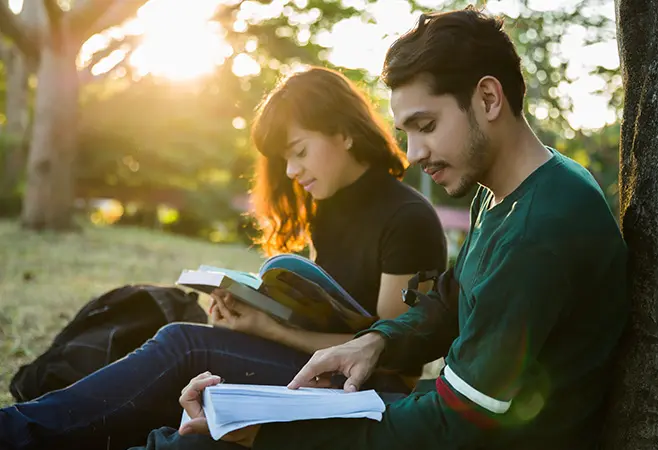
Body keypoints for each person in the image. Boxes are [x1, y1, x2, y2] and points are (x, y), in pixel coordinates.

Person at [149, 6, 630, 450]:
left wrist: (273, 436)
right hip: (455, 421)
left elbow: (457, 423)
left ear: (487, 97)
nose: (416, 152)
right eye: (407, 133)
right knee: (206, 424)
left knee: (209, 439)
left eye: (427, 124)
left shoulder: (540, 227)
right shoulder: (510, 190)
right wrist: (375, 342)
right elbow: (449, 298)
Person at [0, 67, 447, 450]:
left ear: (344, 134)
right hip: (310, 365)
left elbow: (391, 362)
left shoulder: (408, 218)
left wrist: (267, 329)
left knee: (186, 344)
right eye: (285, 159)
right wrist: (256, 306)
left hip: (367, 391)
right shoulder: (330, 206)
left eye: (300, 152)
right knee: (183, 378)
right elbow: (330, 314)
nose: (291, 171)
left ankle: (16, 430)